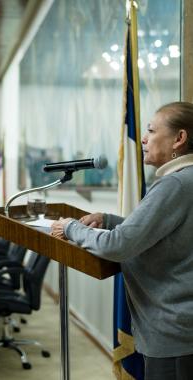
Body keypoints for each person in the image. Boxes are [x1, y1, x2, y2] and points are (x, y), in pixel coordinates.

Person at [51, 101, 193, 380]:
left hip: (173, 330)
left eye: (151, 131)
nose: (143, 138)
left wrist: (70, 228)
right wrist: (108, 220)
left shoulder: (175, 184)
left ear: (179, 138)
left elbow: (119, 246)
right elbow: (170, 235)